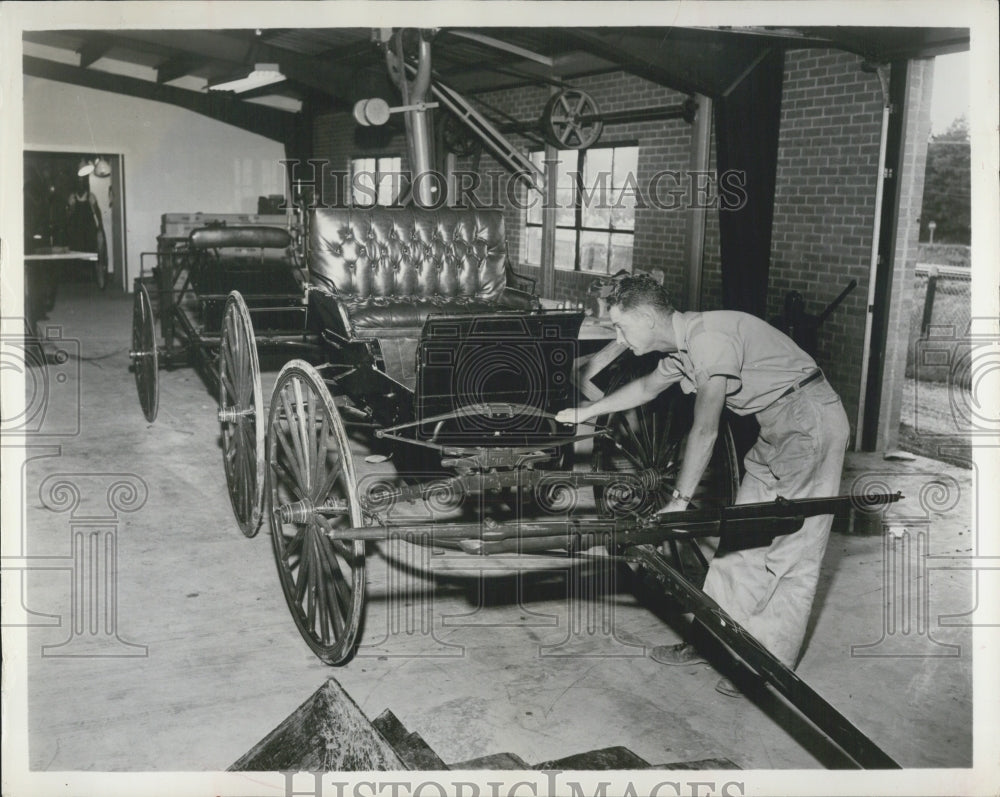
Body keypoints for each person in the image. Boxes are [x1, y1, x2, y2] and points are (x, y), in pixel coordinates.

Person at [555, 275, 850, 697]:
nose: (616, 336)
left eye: (621, 326)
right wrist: (589, 411)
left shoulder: (709, 339)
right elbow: (647, 388)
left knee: (793, 552)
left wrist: (679, 500)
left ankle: (769, 666)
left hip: (809, 421)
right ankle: (716, 642)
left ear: (645, 317)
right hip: (775, 426)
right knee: (740, 538)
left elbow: (706, 429)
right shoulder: (685, 346)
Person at [66, 175, 108, 288]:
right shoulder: (72, 197)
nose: (80, 185)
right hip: (76, 229)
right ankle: (75, 280)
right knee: (76, 253)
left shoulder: (91, 196)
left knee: (94, 253)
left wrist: (100, 226)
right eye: (78, 182)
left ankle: (99, 279)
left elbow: (97, 212)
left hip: (89, 229)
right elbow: (68, 214)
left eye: (82, 182)